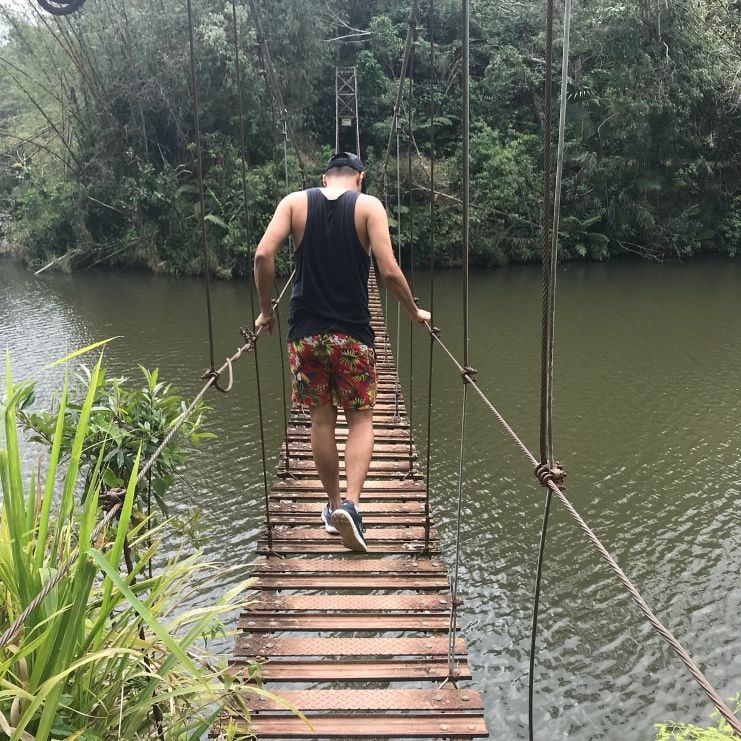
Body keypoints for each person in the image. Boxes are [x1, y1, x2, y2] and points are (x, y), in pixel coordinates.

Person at [253, 152, 430, 552]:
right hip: (353, 336)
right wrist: (414, 311)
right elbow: (387, 271)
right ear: (360, 178)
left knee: (320, 421)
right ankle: (352, 503)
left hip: (306, 336)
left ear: (323, 177)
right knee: (362, 419)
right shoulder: (369, 207)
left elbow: (263, 255)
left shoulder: (294, 203)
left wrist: (266, 312)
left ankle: (332, 506)